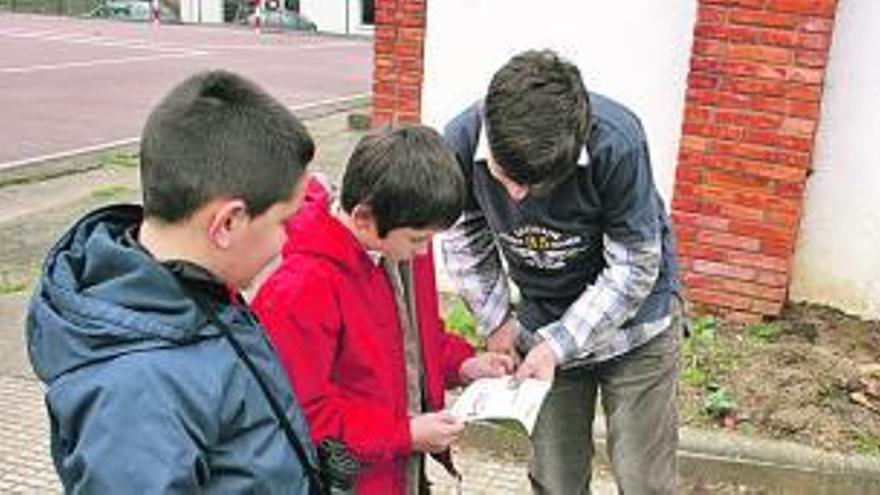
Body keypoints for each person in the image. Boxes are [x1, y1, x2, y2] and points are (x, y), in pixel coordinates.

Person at [26, 70, 320, 493]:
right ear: (228, 223)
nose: (287, 240)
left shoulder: (196, 289)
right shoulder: (135, 393)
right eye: (284, 221)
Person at [441, 49, 681, 494]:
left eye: (532, 185)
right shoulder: (459, 141)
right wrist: (496, 322)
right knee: (555, 477)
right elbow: (462, 233)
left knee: (643, 476)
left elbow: (633, 264)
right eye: (503, 175)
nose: (513, 196)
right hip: (543, 316)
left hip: (636, 326)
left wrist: (559, 345)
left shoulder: (617, 143)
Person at [253, 125, 514, 495]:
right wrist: (406, 433)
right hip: (347, 482)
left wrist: (464, 364)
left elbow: (416, 340)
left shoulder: (399, 246)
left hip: (399, 472)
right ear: (363, 218)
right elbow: (304, 414)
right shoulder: (302, 287)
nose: (424, 252)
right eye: (418, 239)